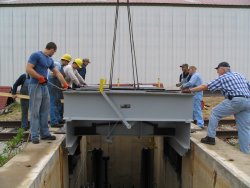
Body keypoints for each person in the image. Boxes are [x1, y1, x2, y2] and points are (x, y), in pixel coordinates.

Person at [183, 62, 250, 154]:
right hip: (247, 101)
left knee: (215, 112)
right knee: (244, 128)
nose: (217, 72)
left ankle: (210, 137)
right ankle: (245, 153)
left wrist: (189, 90)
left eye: (218, 70)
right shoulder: (240, 75)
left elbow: (205, 86)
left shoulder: (223, 77)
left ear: (222, 69)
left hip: (235, 100)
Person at [26, 42, 69, 144]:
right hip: (35, 85)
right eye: (54, 52)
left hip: (44, 86)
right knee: (35, 111)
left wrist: (65, 84)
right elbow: (28, 69)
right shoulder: (36, 55)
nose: (54, 54)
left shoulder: (49, 60)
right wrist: (39, 77)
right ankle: (35, 136)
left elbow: (57, 72)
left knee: (45, 111)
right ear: (51, 49)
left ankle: (45, 134)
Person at [48, 54, 72, 128]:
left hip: (56, 85)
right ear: (64, 60)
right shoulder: (57, 64)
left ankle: (58, 119)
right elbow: (55, 74)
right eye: (67, 62)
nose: (67, 64)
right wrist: (65, 84)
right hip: (52, 84)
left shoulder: (60, 66)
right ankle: (54, 122)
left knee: (58, 102)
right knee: (53, 103)